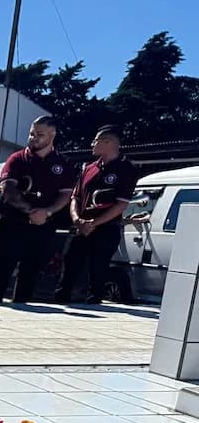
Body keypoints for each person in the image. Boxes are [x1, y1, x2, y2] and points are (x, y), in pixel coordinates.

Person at [0, 116, 76, 303]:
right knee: (0, 274)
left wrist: (47, 212)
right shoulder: (17, 159)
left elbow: (65, 195)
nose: (33, 138)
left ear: (52, 134)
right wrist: (31, 211)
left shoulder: (63, 163)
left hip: (42, 228)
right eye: (31, 133)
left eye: (39, 134)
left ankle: (21, 315)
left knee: (30, 275)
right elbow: (8, 190)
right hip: (12, 224)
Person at [54, 126, 136, 304]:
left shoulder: (126, 168)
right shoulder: (89, 168)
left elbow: (121, 204)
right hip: (81, 227)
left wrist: (95, 222)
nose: (92, 144)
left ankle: (94, 304)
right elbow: (75, 196)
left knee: (98, 271)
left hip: (106, 228)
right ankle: (60, 300)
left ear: (109, 142)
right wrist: (77, 220)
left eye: (96, 140)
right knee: (70, 266)